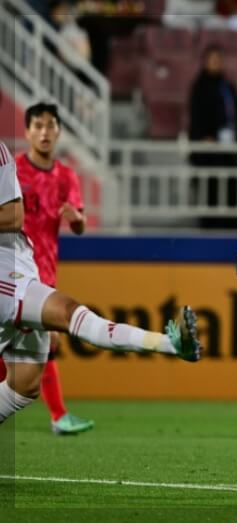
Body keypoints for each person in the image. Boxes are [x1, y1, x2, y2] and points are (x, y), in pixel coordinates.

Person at [0, 140, 202, 425]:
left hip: (21, 266)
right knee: (71, 314)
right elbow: (14, 216)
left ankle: (170, 344)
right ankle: (169, 344)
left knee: (25, 385)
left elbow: (14, 214)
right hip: (5, 277)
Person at [0, 103, 94, 434]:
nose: (44, 132)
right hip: (10, 268)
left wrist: (77, 220)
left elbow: (80, 223)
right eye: (37, 125)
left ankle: (57, 415)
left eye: (50, 125)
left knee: (42, 344)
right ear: (26, 132)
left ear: (58, 131)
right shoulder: (13, 171)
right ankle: (58, 415)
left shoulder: (67, 177)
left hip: (45, 269)